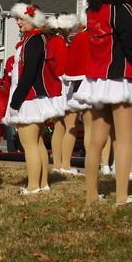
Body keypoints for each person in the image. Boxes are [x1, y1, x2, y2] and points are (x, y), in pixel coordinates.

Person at [73, 0, 132, 205]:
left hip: (97, 78)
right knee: (125, 138)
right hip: (120, 78)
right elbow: (130, 46)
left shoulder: (94, 9)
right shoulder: (123, 8)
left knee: (96, 140)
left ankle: (90, 195)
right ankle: (121, 197)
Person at [3, 2, 64, 195]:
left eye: (22, 18)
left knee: (29, 145)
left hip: (29, 99)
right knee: (37, 143)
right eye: (17, 18)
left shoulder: (34, 40)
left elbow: (28, 74)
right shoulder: (35, 39)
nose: (19, 22)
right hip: (34, 97)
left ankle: (33, 186)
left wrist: (15, 101)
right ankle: (42, 183)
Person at [49, 13, 82, 175]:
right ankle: (66, 164)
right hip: (65, 89)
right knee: (71, 126)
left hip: (56, 89)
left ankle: (57, 164)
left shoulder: (52, 41)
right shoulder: (60, 42)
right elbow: (62, 68)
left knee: (59, 126)